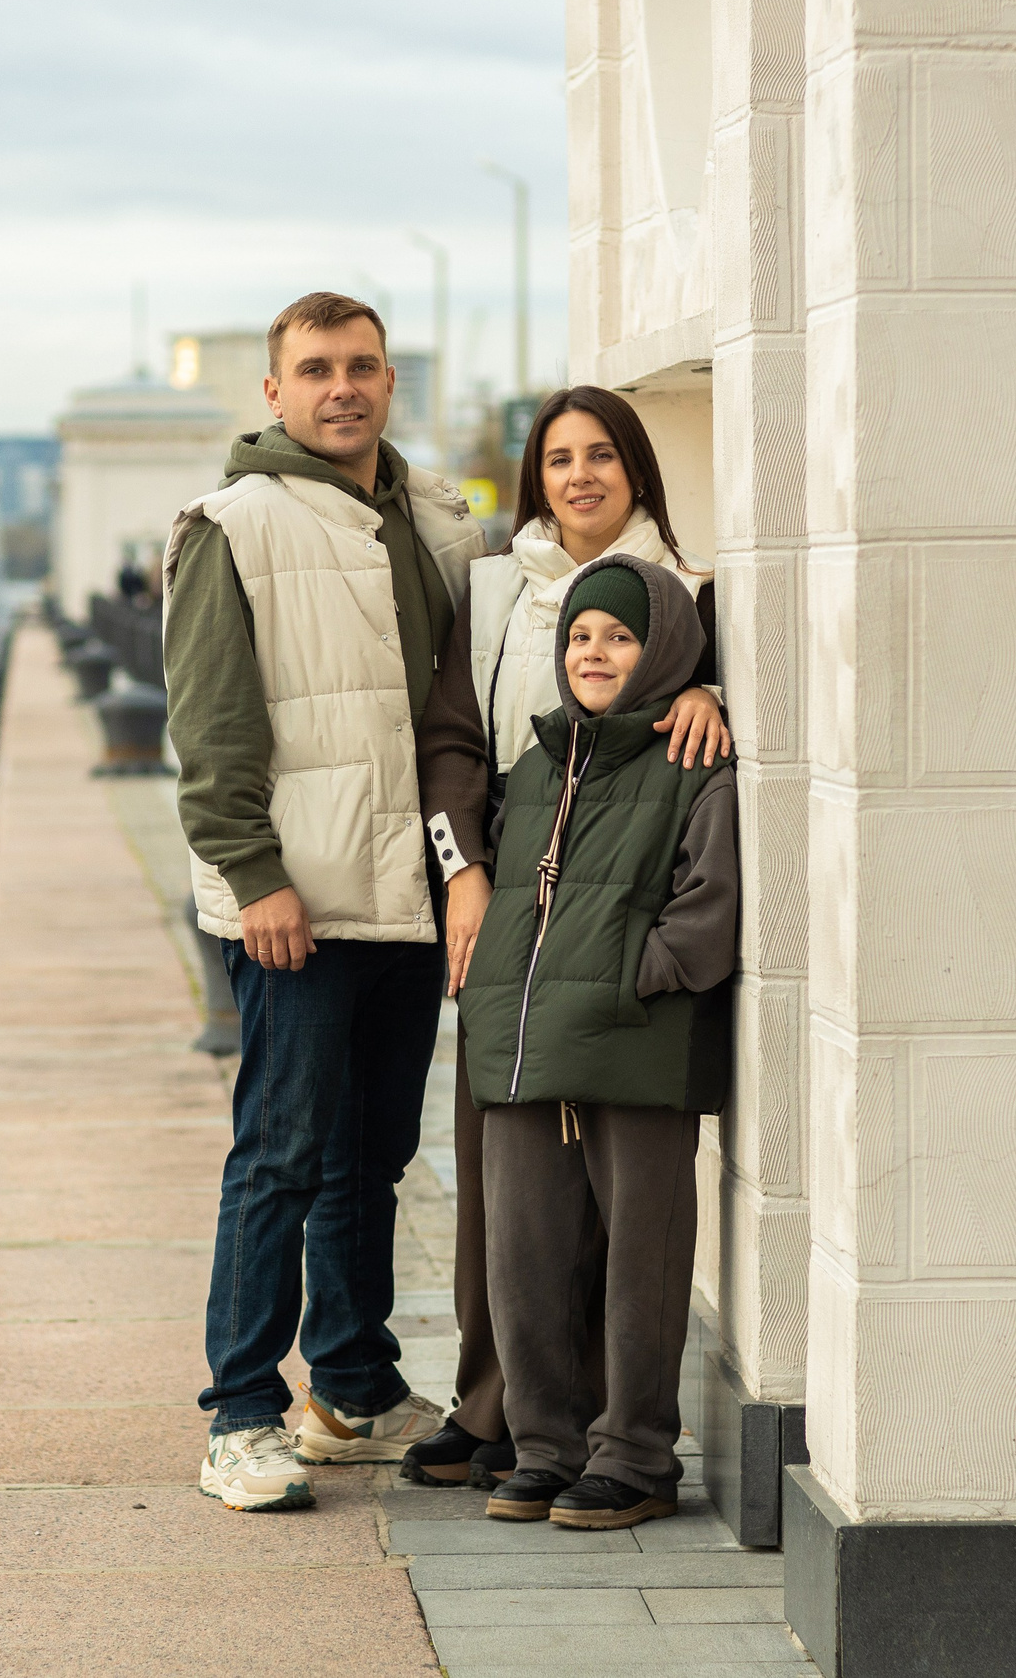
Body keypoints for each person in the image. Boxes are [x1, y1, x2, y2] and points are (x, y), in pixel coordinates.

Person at [162, 291, 488, 1511]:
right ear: (274, 393)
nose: (341, 387)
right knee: (281, 1156)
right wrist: (253, 877)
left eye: (362, 367)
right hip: (294, 897)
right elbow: (209, 721)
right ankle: (240, 1415)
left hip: (405, 889)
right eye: (315, 370)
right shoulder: (230, 525)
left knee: (372, 1155)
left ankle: (351, 1392)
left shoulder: (436, 518)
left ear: (389, 383)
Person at [401, 387, 729, 1489]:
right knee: (510, 1179)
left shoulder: (695, 592)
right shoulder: (496, 589)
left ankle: (613, 1436)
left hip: (627, 879)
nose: (577, 476)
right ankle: (499, 1408)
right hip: (510, 879)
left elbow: (728, 706)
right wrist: (465, 878)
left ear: (637, 468)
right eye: (556, 459)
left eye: (599, 456)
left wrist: (716, 690)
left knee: (623, 1191)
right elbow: (448, 743)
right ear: (533, 476)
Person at [454, 552, 738, 1529]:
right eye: (580, 635)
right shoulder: (537, 763)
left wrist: (629, 978)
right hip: (525, 1046)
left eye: (618, 635)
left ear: (658, 648)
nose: (594, 651)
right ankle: (545, 1447)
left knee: (640, 1265)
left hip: (634, 1049)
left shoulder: (694, 759)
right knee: (523, 1257)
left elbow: (708, 912)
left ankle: (637, 1457)